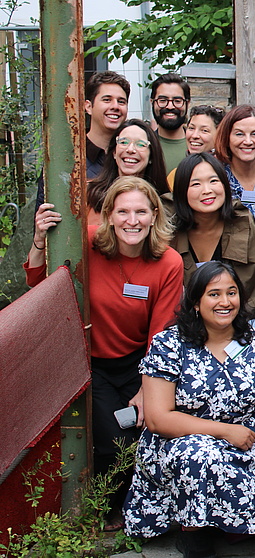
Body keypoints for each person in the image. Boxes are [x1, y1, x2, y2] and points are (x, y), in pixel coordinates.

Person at [27, 176, 183, 530]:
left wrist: (148, 388)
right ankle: (105, 508)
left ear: (154, 215)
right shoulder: (87, 242)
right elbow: (38, 286)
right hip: (92, 362)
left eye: (142, 212)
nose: (133, 220)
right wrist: (40, 242)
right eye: (124, 211)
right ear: (109, 215)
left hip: (138, 363)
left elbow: (162, 332)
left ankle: (146, 510)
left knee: (153, 433)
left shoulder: (168, 262)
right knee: (116, 443)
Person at [123, 262, 255, 555]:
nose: (225, 302)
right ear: (197, 302)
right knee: (198, 453)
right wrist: (224, 431)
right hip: (180, 441)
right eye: (214, 294)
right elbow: (158, 419)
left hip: (245, 437)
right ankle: (194, 531)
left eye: (232, 292)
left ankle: (231, 524)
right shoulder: (169, 344)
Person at [169, 153, 255, 311]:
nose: (207, 190)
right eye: (195, 184)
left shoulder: (242, 223)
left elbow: (254, 285)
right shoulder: (169, 230)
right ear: (181, 191)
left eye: (214, 181)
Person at [87, 119, 170, 224]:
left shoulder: (165, 205)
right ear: (114, 152)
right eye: (123, 142)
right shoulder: (89, 195)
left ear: (151, 156)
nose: (130, 149)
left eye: (140, 144)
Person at [166, 105, 226, 189]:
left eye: (204, 130)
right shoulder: (176, 175)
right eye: (191, 128)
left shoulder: (229, 173)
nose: (194, 135)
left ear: (220, 135)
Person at [85, 71, 129, 179]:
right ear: (88, 107)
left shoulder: (133, 154)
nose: (115, 106)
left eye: (121, 101)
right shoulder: (70, 156)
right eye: (107, 100)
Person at [150, 73, 191, 173]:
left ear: (187, 103)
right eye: (163, 100)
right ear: (152, 102)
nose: (170, 106)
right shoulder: (145, 146)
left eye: (177, 101)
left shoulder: (199, 145)